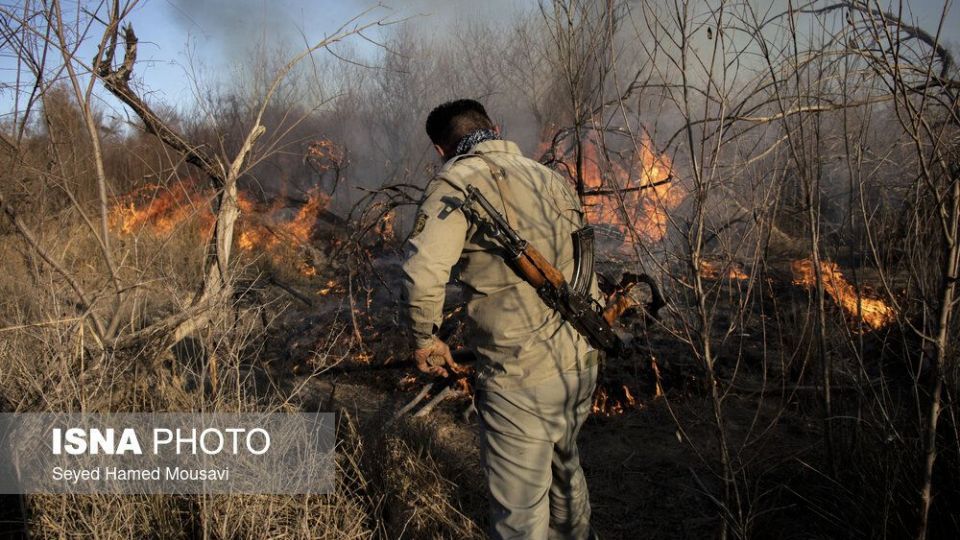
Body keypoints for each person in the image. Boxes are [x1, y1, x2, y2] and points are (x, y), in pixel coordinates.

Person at [400, 99, 599, 539]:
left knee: (520, 516)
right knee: (566, 469)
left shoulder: (454, 182)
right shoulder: (550, 176)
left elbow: (422, 273)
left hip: (520, 374)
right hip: (580, 359)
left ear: (439, 149)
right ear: (496, 127)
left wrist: (425, 339)